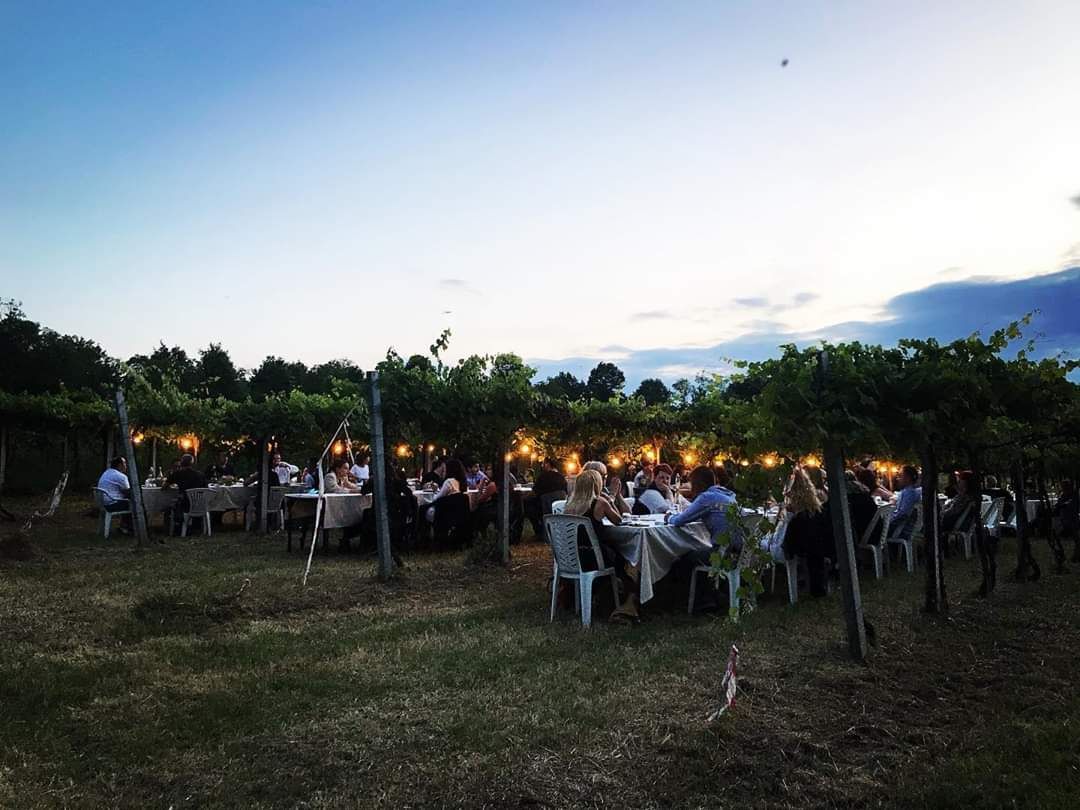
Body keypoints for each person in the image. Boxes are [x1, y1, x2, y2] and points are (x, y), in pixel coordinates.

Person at [563, 469, 639, 622]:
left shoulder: (569, 505)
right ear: (596, 484)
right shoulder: (600, 503)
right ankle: (630, 596)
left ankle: (610, 594)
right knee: (624, 556)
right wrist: (611, 497)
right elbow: (618, 520)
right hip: (594, 559)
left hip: (573, 557)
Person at [781, 467, 835, 597]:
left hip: (799, 545)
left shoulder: (792, 509)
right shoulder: (815, 503)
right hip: (818, 542)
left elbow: (787, 536)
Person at [668, 466, 741, 551]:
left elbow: (679, 521)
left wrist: (669, 517)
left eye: (691, 483)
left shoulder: (707, 497)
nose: (691, 487)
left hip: (722, 552)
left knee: (681, 559)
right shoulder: (728, 494)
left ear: (696, 483)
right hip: (737, 550)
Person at [164, 454, 209, 531]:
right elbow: (206, 489)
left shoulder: (177, 474)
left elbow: (164, 487)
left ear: (181, 463)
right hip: (200, 504)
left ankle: (172, 529)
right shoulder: (200, 475)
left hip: (185, 505)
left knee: (168, 507)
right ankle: (197, 525)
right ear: (192, 463)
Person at [96, 456, 133, 531]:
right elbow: (128, 492)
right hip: (112, 504)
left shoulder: (106, 472)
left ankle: (124, 526)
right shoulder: (121, 476)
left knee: (127, 502)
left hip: (103, 503)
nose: (126, 465)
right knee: (135, 505)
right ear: (119, 465)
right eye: (124, 463)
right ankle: (130, 528)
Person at [887, 465, 922, 539]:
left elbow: (902, 514)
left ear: (907, 478)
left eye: (900, 476)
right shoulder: (914, 491)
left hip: (900, 531)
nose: (898, 478)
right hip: (908, 529)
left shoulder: (908, 493)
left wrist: (888, 520)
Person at [1052, 479, 1079, 562]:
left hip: (1072, 519)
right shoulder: (1063, 495)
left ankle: (1076, 556)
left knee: (1077, 538)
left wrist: (1061, 505)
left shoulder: (1073, 495)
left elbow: (1070, 505)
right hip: (1064, 519)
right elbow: (1059, 505)